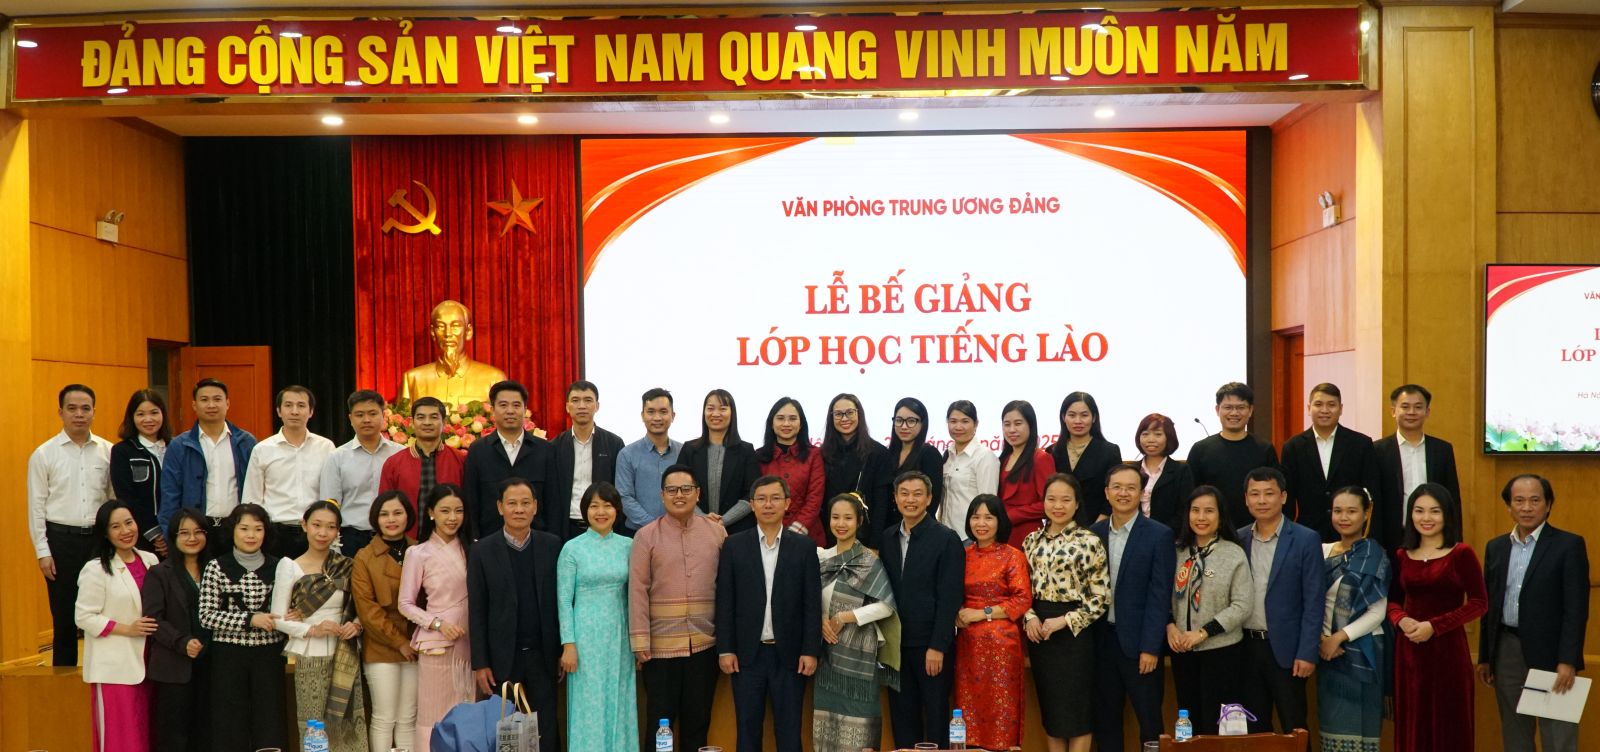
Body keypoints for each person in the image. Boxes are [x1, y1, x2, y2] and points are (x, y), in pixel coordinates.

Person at [1479, 474, 1590, 752]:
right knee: (1515, 734)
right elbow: (1488, 605)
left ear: (1548, 504)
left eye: (1535, 500)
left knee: (1558, 737)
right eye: (1519, 500)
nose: (1526, 507)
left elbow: (1576, 609)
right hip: (1507, 650)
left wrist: (1568, 660)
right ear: (1509, 506)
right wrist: (1486, 656)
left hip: (1552, 654)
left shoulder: (1569, 545)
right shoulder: (1496, 547)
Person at [716, 476, 823, 752]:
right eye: (761, 499)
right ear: (752, 505)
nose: (768, 504)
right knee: (747, 731)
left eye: (775, 498)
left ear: (787, 504)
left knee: (789, 733)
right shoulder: (734, 545)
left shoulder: (804, 547)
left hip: (790, 656)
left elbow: (812, 604)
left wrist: (810, 650)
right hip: (746, 656)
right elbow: (725, 601)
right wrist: (725, 648)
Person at [629, 464, 728, 751]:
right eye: (672, 490)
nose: (679, 495)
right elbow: (637, 589)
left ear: (698, 494)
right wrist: (640, 641)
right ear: (662, 495)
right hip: (660, 649)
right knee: (660, 724)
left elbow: (727, 587)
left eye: (686, 489)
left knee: (698, 723)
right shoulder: (646, 535)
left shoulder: (716, 533)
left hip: (704, 646)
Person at [1389, 483, 1488, 752]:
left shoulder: (1461, 553)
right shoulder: (1401, 555)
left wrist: (1434, 626)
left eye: (1435, 511)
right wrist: (1401, 619)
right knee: (1413, 723)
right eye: (1419, 510)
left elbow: (1479, 603)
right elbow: (1392, 600)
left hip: (1448, 651)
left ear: (1447, 514)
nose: (1426, 518)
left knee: (1449, 725)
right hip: (1409, 652)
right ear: (1410, 514)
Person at [467, 478, 562, 745]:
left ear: (535, 507)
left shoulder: (552, 545)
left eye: (525, 503)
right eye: (512, 503)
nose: (519, 509)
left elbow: (561, 602)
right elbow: (477, 609)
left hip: (543, 657)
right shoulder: (482, 551)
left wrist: (560, 649)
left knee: (545, 732)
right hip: (502, 660)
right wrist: (481, 662)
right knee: (507, 735)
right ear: (500, 507)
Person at [1090, 462, 1175, 751]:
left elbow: (1159, 596)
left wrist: (1151, 647)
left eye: (1130, 488)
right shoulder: (1093, 534)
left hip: (1140, 646)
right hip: (1102, 643)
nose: (1123, 493)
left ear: (1142, 493)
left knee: (1150, 723)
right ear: (1107, 492)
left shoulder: (1159, 534)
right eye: (1117, 487)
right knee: (1106, 722)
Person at [273, 500, 368, 751]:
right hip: (310, 652)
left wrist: (356, 625)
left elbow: (363, 606)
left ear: (338, 531)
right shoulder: (290, 566)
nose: (323, 533)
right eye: (316, 525)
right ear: (304, 525)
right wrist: (313, 629)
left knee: (348, 722)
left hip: (345, 652)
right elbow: (278, 619)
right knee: (314, 724)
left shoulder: (347, 565)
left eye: (330, 527)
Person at [1236, 467, 1325, 734]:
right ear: (1246, 499)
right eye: (1255, 494)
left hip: (1288, 651)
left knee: (1294, 728)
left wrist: (1307, 652)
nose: (1262, 500)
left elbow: (1314, 601)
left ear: (1283, 497)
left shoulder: (1306, 539)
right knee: (1254, 731)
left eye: (1269, 493)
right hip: (1246, 648)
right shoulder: (1238, 538)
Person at [1022, 474, 1108, 752]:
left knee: (1078, 713)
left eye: (1065, 500)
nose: (1058, 506)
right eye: (1051, 499)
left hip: (1075, 634)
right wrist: (1029, 616)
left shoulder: (1089, 540)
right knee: (1052, 712)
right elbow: (1020, 590)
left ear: (1076, 504)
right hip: (1040, 634)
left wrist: (1066, 620)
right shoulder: (1031, 541)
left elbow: (1101, 597)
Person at [30, 383, 114, 666]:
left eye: (85, 408)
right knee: (64, 618)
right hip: (60, 542)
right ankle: (63, 683)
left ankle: (100, 678)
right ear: (61, 412)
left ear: (93, 412)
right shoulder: (44, 454)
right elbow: (36, 506)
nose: (79, 414)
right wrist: (43, 551)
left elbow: (114, 501)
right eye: (72, 408)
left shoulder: (108, 451)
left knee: (101, 613)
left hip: (99, 542)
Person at [880, 470, 965, 749]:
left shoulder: (946, 538)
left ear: (929, 499)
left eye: (918, 494)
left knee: (936, 718)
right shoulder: (888, 537)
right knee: (903, 719)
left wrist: (938, 646)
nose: (910, 500)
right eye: (904, 494)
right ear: (895, 498)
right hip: (896, 646)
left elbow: (950, 598)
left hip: (931, 646)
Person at [198, 503, 288, 752]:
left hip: (269, 654)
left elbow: (285, 610)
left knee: (269, 717)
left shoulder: (280, 567)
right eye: (244, 528)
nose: (251, 535)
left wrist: (291, 615)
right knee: (229, 719)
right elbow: (206, 616)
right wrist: (249, 619)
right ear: (232, 531)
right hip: (228, 655)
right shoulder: (216, 566)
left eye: (258, 529)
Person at [814, 493, 900, 752]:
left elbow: (886, 606)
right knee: (826, 727)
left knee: (859, 731)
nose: (841, 524)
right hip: (827, 654)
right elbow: (808, 599)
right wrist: (821, 619)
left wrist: (845, 617)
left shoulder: (869, 560)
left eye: (848, 518)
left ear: (859, 521)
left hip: (859, 656)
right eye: (835, 517)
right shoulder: (820, 557)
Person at [557, 481, 637, 752]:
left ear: (617, 510)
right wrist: (568, 644)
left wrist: (637, 640)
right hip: (585, 639)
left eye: (607, 506)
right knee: (588, 704)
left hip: (619, 636)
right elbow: (564, 600)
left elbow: (635, 595)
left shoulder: (629, 546)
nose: (601, 512)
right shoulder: (572, 548)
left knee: (619, 700)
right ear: (585, 511)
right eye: (594, 506)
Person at [1167, 486, 1252, 737]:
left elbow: (1242, 605)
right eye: (1195, 510)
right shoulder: (1177, 552)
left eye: (1209, 511)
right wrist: (1170, 625)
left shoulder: (1233, 553)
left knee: (1218, 726)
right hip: (1183, 652)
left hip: (1222, 652)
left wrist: (1203, 633)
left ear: (1221, 516)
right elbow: (1163, 595)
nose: (1201, 517)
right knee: (1188, 722)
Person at [76, 500, 159, 752]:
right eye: (115, 526)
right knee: (122, 740)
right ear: (105, 533)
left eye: (129, 522)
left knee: (146, 736)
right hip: (115, 669)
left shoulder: (150, 559)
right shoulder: (96, 569)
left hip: (150, 663)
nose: (125, 531)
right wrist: (127, 629)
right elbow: (84, 617)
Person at [399, 484, 477, 752]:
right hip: (437, 644)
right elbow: (405, 604)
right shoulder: (417, 553)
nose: (452, 518)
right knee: (432, 715)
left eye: (458, 511)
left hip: (470, 643)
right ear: (431, 512)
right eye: (445, 511)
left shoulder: (474, 549)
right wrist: (438, 624)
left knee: (467, 711)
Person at [953, 494, 1033, 750]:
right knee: (967, 711)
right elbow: (951, 593)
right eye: (976, 517)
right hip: (968, 644)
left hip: (1001, 646)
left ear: (1000, 521)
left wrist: (983, 613)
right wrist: (957, 613)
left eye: (989, 517)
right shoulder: (962, 555)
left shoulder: (1012, 556)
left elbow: (1022, 599)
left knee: (1001, 709)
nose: (981, 523)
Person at [1317, 487, 1391, 752]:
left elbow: (1377, 613)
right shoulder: (1321, 551)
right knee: (1333, 727)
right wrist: (1321, 639)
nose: (1344, 517)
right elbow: (1309, 602)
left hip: (1363, 650)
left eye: (1351, 511)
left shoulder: (1374, 554)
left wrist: (1338, 637)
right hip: (1327, 652)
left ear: (1366, 513)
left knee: (1364, 730)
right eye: (1338, 511)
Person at [351, 490, 418, 752]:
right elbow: (368, 610)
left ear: (408, 516)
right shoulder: (364, 557)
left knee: (408, 717)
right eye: (384, 514)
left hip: (417, 643)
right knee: (384, 716)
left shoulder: (419, 549)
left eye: (397, 513)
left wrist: (412, 642)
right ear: (375, 519)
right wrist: (400, 642)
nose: (391, 519)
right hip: (381, 646)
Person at [142, 508, 212, 752]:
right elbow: (153, 619)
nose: (192, 538)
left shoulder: (215, 570)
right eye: (184, 533)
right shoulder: (159, 573)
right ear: (173, 537)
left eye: (198, 532)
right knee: (174, 737)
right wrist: (182, 642)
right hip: (173, 667)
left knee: (207, 735)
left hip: (211, 665)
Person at [1279, 383, 1380, 543]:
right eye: (1318, 404)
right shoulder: (1293, 447)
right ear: (1309, 408)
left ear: (1341, 409)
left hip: (1351, 533)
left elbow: (1372, 492)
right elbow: (1288, 498)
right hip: (1307, 534)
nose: (1324, 410)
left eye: (1331, 405)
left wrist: (1369, 534)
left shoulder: (1361, 444)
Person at [243, 385, 336, 559]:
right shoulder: (262, 449)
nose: (294, 411)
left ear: (311, 412)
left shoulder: (326, 447)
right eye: (288, 405)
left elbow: (331, 493)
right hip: (276, 533)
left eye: (301, 406)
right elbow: (252, 499)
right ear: (279, 411)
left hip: (315, 532)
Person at [1372, 384, 1461, 554]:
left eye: (1418, 407)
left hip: (1434, 536)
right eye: (1405, 407)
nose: (1411, 412)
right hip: (1391, 538)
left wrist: (1454, 539)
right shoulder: (1377, 450)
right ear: (1393, 411)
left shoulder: (1442, 450)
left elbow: (1452, 498)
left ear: (1427, 412)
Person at [160, 377, 258, 532]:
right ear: (194, 405)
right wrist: (170, 532)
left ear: (227, 403)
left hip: (237, 527)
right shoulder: (179, 445)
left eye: (217, 399)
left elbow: (256, 488)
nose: (211, 405)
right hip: (195, 529)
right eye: (204, 400)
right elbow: (170, 494)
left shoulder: (246, 442)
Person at [462, 380, 554, 534]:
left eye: (516, 405)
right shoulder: (478, 450)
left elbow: (553, 501)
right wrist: (474, 539)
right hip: (489, 539)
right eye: (503, 405)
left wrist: (552, 539)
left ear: (525, 410)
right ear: (493, 410)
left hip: (536, 539)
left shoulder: (545, 450)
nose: (510, 411)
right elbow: (471, 500)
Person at [320, 390, 404, 556]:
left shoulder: (400, 454)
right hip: (352, 539)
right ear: (350, 419)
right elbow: (330, 506)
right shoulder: (337, 457)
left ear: (383, 416)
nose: (366, 420)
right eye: (359, 415)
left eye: (372, 414)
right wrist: (334, 547)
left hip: (393, 537)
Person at [1187, 382, 1279, 534]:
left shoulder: (1264, 449)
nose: (1234, 413)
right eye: (1228, 407)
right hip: (1212, 531)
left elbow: (1275, 492)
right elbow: (1191, 495)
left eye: (1241, 407)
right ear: (1217, 410)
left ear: (1250, 410)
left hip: (1256, 531)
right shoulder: (1200, 450)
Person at [548, 380, 626, 540]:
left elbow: (619, 490)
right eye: (575, 400)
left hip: (604, 525)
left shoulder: (614, 443)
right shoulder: (554, 446)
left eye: (588, 400)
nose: (582, 406)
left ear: (597, 406)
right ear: (567, 406)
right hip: (566, 527)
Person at [378, 396, 465, 539]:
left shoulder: (460, 460)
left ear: (444, 422)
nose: (427, 422)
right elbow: (384, 508)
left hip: (451, 542)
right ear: (412, 423)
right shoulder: (393, 463)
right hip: (408, 542)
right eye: (421, 417)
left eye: (433, 417)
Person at [399, 299, 510, 408]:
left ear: (468, 331)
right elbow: (403, 417)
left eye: (455, 326)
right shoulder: (412, 379)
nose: (448, 334)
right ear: (433, 332)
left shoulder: (494, 378)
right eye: (441, 326)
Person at [680, 389, 762, 533]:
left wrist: (723, 521)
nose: (716, 413)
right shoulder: (689, 449)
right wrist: (703, 518)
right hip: (694, 529)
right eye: (710, 408)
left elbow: (752, 493)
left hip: (737, 531)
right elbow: (680, 488)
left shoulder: (746, 450)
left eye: (723, 409)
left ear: (732, 413)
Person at [821, 393, 893, 548]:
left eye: (850, 412)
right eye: (838, 414)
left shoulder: (878, 453)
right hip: (830, 538)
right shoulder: (823, 454)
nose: (844, 418)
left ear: (859, 414)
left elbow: (881, 505)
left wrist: (875, 545)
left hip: (865, 538)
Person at [757, 397, 826, 545]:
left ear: (801, 424)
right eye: (780, 418)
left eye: (793, 419)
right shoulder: (758, 456)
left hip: (807, 535)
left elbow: (814, 498)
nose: (786, 424)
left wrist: (796, 530)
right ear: (771, 423)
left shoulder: (814, 455)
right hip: (768, 534)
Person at [111, 388, 171, 558]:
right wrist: (156, 534)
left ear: (163, 414)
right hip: (141, 536)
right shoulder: (123, 451)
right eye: (140, 414)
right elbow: (127, 497)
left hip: (178, 535)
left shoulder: (176, 447)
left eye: (154, 413)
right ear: (132, 417)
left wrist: (172, 532)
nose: (148, 419)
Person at [1046, 391, 1123, 525]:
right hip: (1059, 525)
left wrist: (1096, 527)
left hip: (1096, 527)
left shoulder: (1110, 451)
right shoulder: (1052, 451)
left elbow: (1114, 493)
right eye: (1072, 415)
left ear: (1094, 417)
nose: (1078, 421)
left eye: (1084, 415)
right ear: (1063, 417)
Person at [616, 387, 681, 531]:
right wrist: (654, 526)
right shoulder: (627, 454)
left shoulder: (684, 452)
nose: (657, 418)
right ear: (642, 415)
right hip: (638, 532)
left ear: (673, 415)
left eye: (663, 412)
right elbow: (624, 497)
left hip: (679, 531)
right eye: (651, 412)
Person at [997, 400, 1054, 547]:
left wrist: (1012, 515)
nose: (1012, 430)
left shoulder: (1041, 458)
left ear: (1031, 425)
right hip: (1001, 533)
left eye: (1018, 423)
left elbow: (1048, 503)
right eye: (1007, 424)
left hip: (1028, 536)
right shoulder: (1003, 459)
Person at [940, 400, 999, 538]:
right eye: (953, 421)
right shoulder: (947, 455)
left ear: (976, 424)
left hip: (969, 536)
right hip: (945, 534)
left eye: (965, 421)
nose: (958, 427)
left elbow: (989, 503)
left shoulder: (984, 456)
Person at [888, 398, 943, 534]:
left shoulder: (929, 454)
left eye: (911, 421)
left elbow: (932, 500)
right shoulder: (888, 454)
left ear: (922, 423)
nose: (904, 426)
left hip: (920, 531)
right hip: (891, 530)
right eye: (899, 420)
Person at [1134, 413, 1196, 530]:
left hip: (1169, 535)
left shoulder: (1181, 471)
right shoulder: (1132, 470)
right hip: (1133, 534)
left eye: (1158, 434)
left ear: (1169, 438)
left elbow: (1184, 510)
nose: (1151, 440)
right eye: (1145, 434)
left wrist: (1161, 534)